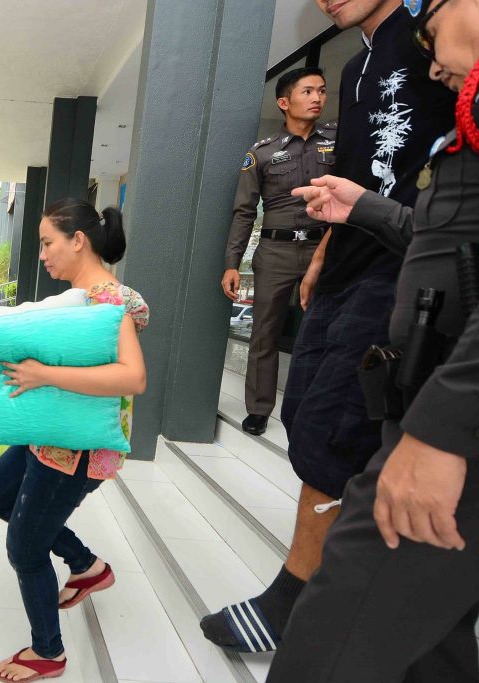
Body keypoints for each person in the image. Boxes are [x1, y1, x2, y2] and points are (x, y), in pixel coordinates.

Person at [201, 0, 456, 653]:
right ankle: (336, 585)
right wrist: (320, 255)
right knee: (309, 413)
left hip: (402, 265)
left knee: (337, 428)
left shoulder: (434, 38)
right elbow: (350, 173)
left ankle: (298, 595)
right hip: (344, 260)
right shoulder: (354, 70)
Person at [267, 1, 479, 678]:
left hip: (450, 419)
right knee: (429, 645)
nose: (430, 54)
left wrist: (442, 431)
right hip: (427, 388)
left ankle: (292, 592)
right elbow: (450, 241)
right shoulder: (458, 111)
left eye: (429, 23)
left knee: (325, 646)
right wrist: (362, 212)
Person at [0, 198, 149, 682]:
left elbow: (132, 378)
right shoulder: (73, 301)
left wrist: (43, 375)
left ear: (78, 240)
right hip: (47, 435)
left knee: (25, 549)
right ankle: (85, 564)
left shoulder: (108, 301)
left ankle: (47, 653)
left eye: (47, 242)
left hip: (76, 448)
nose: (43, 254)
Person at [221, 67, 334, 436]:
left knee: (325, 331)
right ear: (284, 102)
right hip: (275, 251)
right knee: (265, 334)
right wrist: (232, 263)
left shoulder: (338, 141)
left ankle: (314, 409)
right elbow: (243, 211)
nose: (317, 98)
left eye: (321, 91)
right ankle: (258, 409)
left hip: (326, 246)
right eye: (307, 92)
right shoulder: (263, 153)